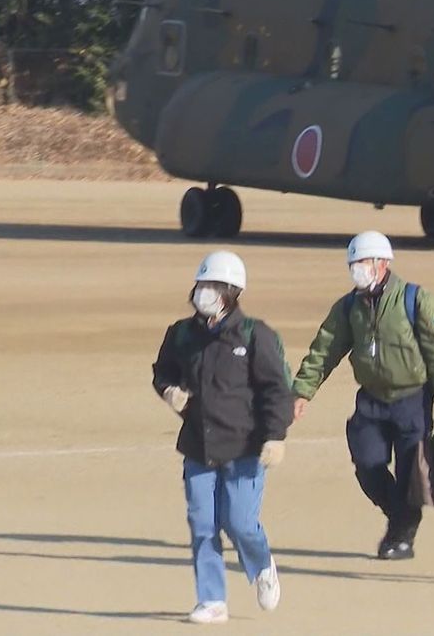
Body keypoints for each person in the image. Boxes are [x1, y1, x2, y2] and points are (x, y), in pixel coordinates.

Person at [292, 231, 434, 560]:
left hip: (413, 399)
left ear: (383, 264)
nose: (358, 269)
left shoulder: (417, 300)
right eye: (354, 264)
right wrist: (303, 391)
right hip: (371, 400)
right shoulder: (347, 308)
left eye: (364, 262)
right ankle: (401, 516)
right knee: (367, 464)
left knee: (410, 470)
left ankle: (402, 535)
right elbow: (324, 350)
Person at [151, 250, 291, 625]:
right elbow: (162, 371)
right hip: (199, 445)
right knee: (202, 523)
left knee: (241, 522)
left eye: (213, 287)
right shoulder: (181, 334)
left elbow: (277, 389)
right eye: (201, 285)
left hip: (245, 447)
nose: (204, 293)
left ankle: (261, 565)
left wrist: (276, 436)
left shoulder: (255, 335)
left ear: (231, 292)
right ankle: (211, 600)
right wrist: (168, 391)